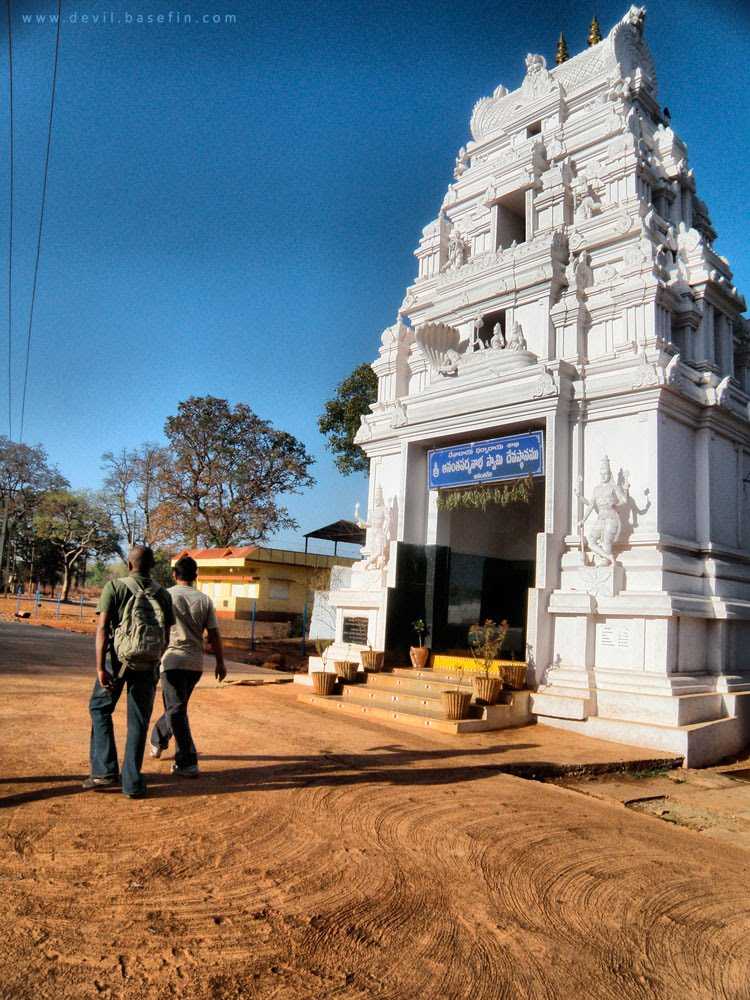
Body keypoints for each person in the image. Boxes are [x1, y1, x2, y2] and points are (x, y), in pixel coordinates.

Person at [83, 545, 174, 799]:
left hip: (116, 662)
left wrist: (101, 667)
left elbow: (102, 629)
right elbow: (166, 637)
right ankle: (132, 784)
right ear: (152, 566)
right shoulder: (163, 594)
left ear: (129, 563)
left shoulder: (114, 587)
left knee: (100, 708)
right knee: (138, 722)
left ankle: (103, 771)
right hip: (147, 666)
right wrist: (152, 659)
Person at [149, 555, 226, 777]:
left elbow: (155, 628)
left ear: (174, 575)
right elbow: (214, 634)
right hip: (194, 664)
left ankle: (187, 761)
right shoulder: (204, 600)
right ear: (196, 576)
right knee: (177, 708)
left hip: (171, 660)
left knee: (176, 709)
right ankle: (159, 739)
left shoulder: (165, 595)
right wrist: (220, 662)